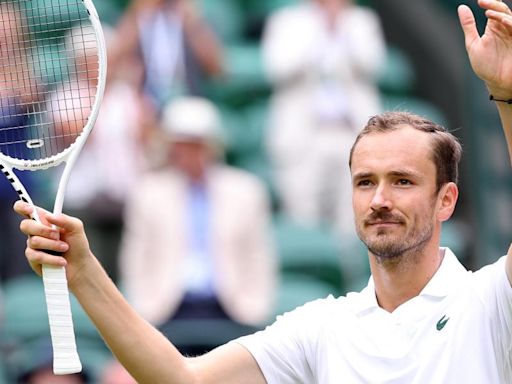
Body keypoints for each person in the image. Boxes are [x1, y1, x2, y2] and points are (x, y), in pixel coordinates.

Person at [12, 1, 512, 382]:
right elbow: (177, 377)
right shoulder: (321, 328)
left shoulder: (489, 300)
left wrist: (508, 96)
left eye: (403, 181)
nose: (380, 198)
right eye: (365, 182)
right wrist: (81, 271)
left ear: (447, 199)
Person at [118, 96, 277, 349]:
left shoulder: (246, 191)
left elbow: (258, 256)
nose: (188, 152)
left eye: (195, 144)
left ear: (212, 145)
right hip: (166, 310)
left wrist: (255, 308)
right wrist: (144, 308)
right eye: (181, 144)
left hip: (233, 310)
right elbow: (137, 259)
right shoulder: (148, 193)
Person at [262, 0, 386, 236]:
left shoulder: (361, 21)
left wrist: (340, 28)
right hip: (303, 136)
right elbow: (277, 68)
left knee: (355, 217)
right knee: (302, 216)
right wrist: (320, 29)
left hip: (352, 133)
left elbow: (373, 65)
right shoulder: (287, 21)